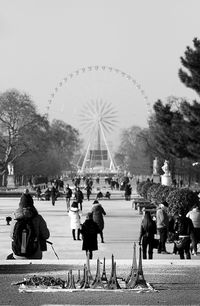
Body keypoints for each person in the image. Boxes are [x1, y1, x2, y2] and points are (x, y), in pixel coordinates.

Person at [8, 192, 50, 259]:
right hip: (35, 254)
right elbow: (46, 235)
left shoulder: (15, 217)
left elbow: (12, 236)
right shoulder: (38, 218)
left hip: (18, 254)